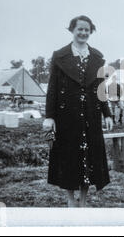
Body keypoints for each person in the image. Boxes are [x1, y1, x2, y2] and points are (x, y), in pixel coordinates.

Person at [43, 15, 114, 207]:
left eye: (87, 29)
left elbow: (101, 88)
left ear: (91, 31)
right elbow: (52, 88)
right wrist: (49, 116)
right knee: (69, 157)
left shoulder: (97, 58)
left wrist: (107, 113)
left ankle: (82, 201)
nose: (83, 33)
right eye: (79, 29)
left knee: (89, 158)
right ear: (72, 30)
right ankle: (70, 199)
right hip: (67, 116)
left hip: (91, 115)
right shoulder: (59, 56)